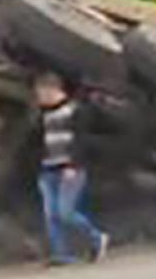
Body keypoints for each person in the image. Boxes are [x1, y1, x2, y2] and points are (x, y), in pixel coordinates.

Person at [33, 71, 109, 266]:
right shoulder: (43, 114)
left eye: (41, 93)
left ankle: (96, 237)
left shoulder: (75, 111)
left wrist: (73, 165)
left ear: (53, 90)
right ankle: (61, 255)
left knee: (65, 211)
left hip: (69, 168)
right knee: (51, 215)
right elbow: (41, 143)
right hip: (48, 169)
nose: (39, 97)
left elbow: (81, 141)